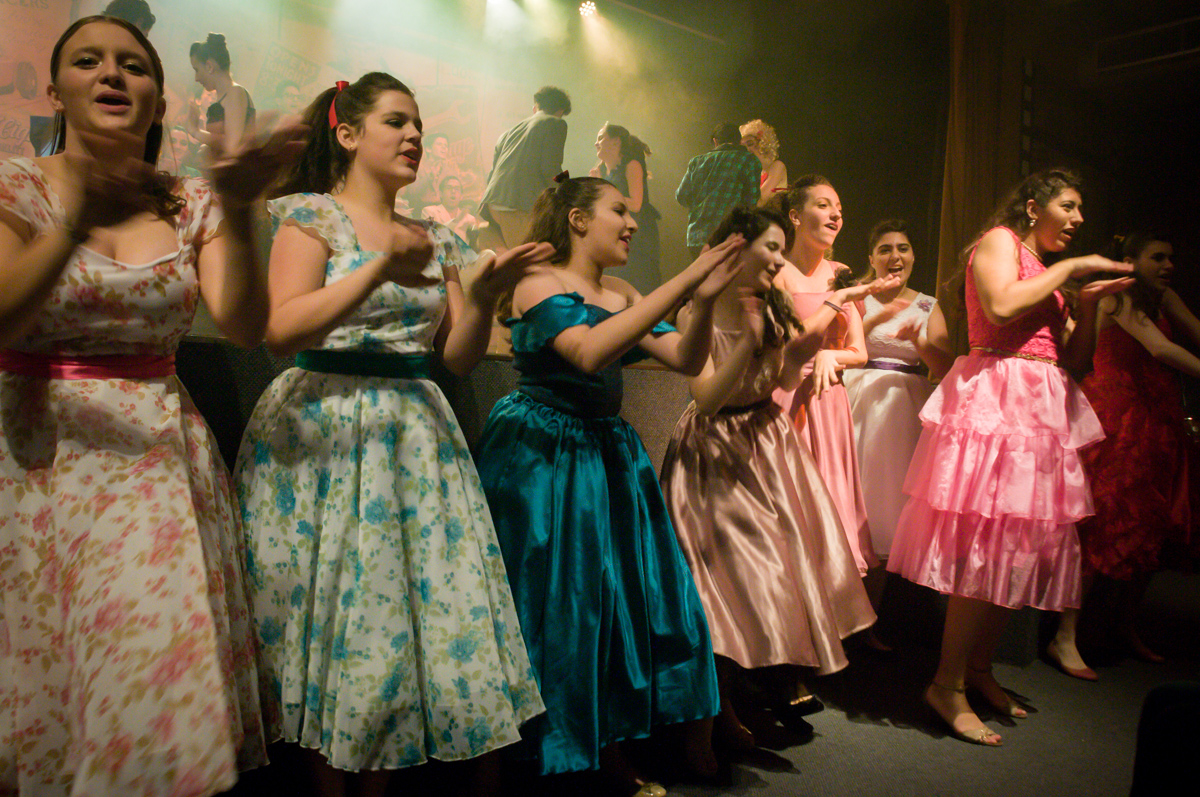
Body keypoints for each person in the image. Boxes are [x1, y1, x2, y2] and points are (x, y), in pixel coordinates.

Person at [0, 14, 303, 794]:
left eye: (133, 66)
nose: (112, 75)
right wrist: (77, 222)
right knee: (42, 687)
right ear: (57, 90)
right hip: (37, 457)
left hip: (155, 465)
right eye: (89, 61)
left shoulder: (189, 201)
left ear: (158, 98)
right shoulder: (15, 183)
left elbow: (242, 326)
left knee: (146, 686)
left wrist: (238, 206)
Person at [234, 72, 550, 795]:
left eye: (418, 126)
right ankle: (328, 776)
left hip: (414, 431)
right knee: (332, 609)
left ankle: (383, 768)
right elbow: (281, 329)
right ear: (347, 134)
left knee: (403, 618)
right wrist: (380, 265)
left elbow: (458, 356)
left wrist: (485, 300)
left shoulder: (437, 234)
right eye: (396, 123)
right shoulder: (311, 216)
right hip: (326, 425)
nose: (414, 136)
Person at [474, 175, 746, 793]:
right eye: (618, 211)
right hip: (546, 454)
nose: (630, 222)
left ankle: (608, 746)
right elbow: (589, 351)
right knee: (562, 608)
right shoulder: (536, 282)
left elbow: (682, 360)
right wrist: (685, 278)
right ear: (575, 218)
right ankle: (548, 753)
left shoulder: (621, 290)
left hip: (606, 452)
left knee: (620, 605)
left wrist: (701, 303)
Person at [887, 168, 1133, 745]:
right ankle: (945, 683)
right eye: (1068, 207)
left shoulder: (1046, 271)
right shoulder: (1001, 241)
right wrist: (1072, 272)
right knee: (983, 547)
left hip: (1039, 408)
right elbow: (997, 308)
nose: (1076, 219)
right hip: (997, 398)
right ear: (1032, 207)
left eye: (1080, 210)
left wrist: (1089, 303)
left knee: (1016, 549)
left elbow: (1073, 356)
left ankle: (978, 669)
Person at [661, 206, 899, 750]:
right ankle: (712, 719)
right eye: (769, 247)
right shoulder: (700, 309)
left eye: (779, 247)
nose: (777, 258)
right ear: (734, 249)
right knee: (720, 586)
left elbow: (786, 377)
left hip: (767, 442)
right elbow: (707, 397)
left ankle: (753, 700)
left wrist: (809, 340)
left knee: (775, 578)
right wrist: (748, 340)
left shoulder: (772, 305)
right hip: (716, 450)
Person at [1049, 231, 1200, 678]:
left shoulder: (1162, 295)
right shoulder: (1119, 299)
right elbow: (1161, 347)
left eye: (1171, 256)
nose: (1168, 264)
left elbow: (1193, 329)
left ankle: (1122, 625)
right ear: (1130, 261)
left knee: (1151, 523)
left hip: (1156, 417)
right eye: (1158, 257)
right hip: (1117, 417)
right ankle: (1065, 636)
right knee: (1105, 523)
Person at [769, 176, 889, 650]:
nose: (836, 214)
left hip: (828, 405)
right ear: (795, 216)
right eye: (823, 205)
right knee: (786, 517)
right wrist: (805, 357)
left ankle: (824, 636)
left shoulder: (842, 274)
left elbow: (859, 351)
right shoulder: (776, 272)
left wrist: (828, 356)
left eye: (839, 206)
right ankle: (787, 639)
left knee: (828, 518)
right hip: (784, 400)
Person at [843, 220, 950, 564]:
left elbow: (945, 367)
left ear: (914, 257)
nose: (895, 256)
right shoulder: (857, 297)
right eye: (885, 249)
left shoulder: (926, 304)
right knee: (857, 484)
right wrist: (872, 321)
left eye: (902, 248)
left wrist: (918, 341)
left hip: (907, 406)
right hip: (859, 400)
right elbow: (838, 345)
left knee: (895, 492)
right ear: (872, 258)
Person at [477, 86, 570, 253]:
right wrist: (569, 191)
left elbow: (492, 174)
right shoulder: (556, 123)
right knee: (531, 263)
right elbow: (550, 168)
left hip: (494, 205)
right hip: (517, 206)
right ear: (560, 111)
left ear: (535, 108)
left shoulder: (508, 132)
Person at [590, 122, 660, 294]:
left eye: (601, 138)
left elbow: (636, 204)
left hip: (638, 235)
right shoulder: (604, 171)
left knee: (637, 281)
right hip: (616, 232)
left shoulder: (632, 165)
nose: (596, 143)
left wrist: (602, 186)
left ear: (616, 142)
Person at [675, 122, 760, 259]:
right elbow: (752, 201)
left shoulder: (696, 162)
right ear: (739, 141)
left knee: (703, 278)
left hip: (697, 237)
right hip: (730, 235)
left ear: (715, 141)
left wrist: (699, 202)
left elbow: (681, 196)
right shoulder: (748, 160)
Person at [187, 32, 256, 148]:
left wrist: (195, 131)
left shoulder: (235, 92)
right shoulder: (227, 95)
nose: (196, 78)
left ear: (209, 66)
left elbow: (231, 146)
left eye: (197, 70)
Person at [739, 119, 788, 204]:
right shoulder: (754, 172)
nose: (747, 149)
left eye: (750, 144)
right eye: (743, 146)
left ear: (762, 143)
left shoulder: (777, 166)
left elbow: (761, 200)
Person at [421, 174, 481, 242]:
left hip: (463, 252)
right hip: (440, 251)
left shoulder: (470, 219)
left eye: (457, 189)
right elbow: (432, 237)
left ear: (461, 196)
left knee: (488, 252)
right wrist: (455, 221)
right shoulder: (429, 211)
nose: (453, 191)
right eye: (449, 188)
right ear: (441, 194)